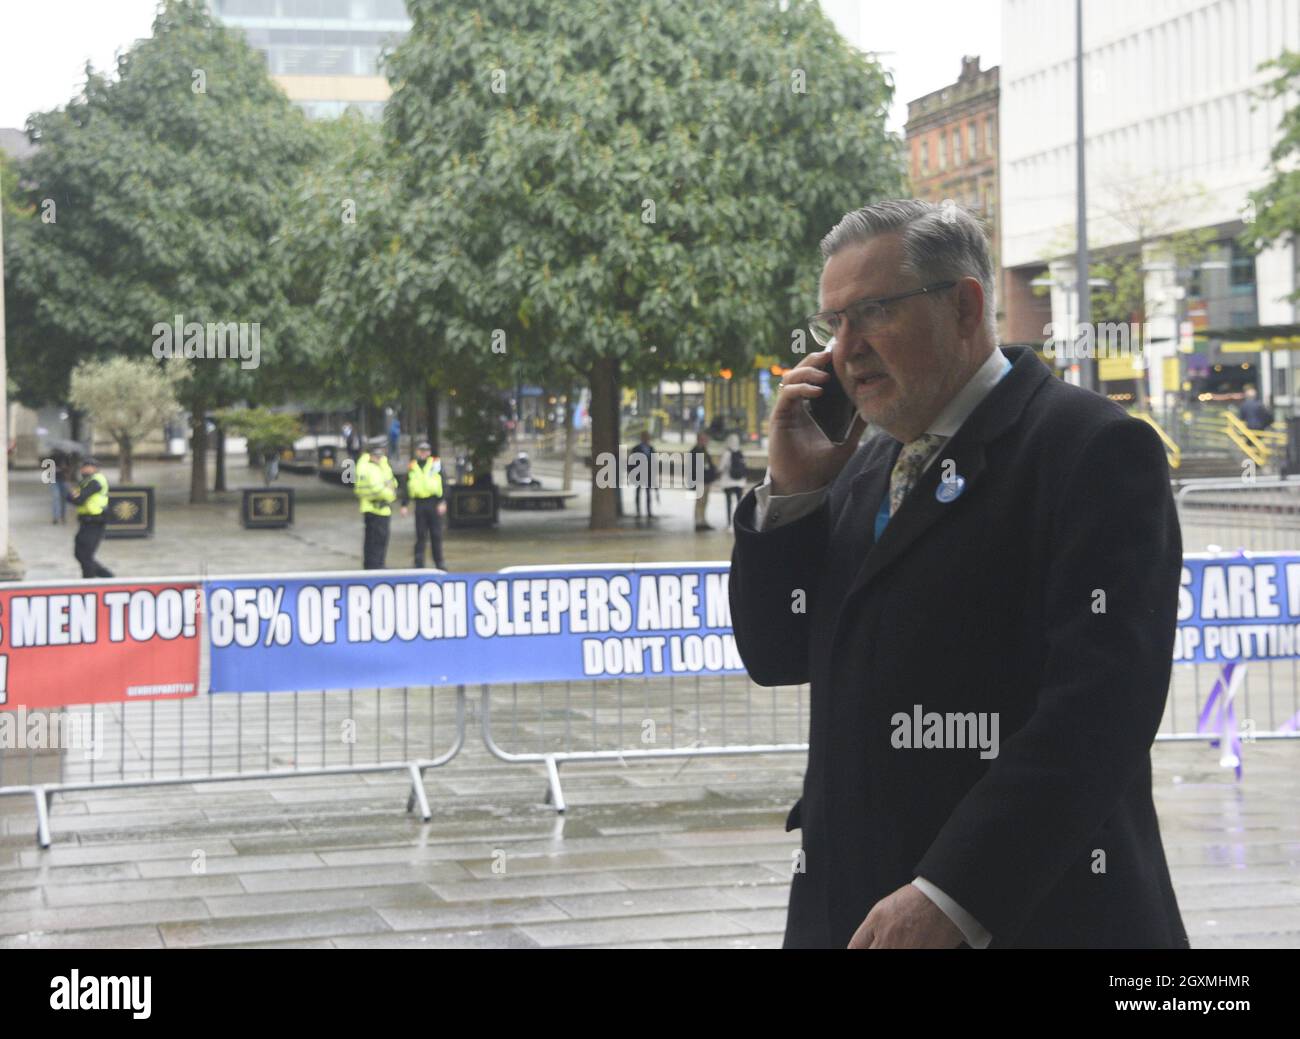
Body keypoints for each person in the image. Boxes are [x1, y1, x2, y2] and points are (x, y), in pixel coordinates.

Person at [729, 199, 1187, 949]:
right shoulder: (863, 458)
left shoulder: (1092, 449)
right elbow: (776, 653)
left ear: (966, 306)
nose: (845, 349)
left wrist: (954, 893)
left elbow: (1100, 712)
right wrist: (793, 493)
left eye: (871, 312)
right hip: (848, 905)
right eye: (831, 324)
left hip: (1026, 913)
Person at [401, 441, 447, 569]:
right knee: (420, 534)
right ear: (417, 452)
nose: (423, 453)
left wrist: (442, 501)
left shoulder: (435, 464)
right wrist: (404, 504)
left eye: (426, 451)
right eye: (421, 450)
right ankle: (418, 563)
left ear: (429, 452)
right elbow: (407, 486)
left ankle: (439, 563)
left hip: (434, 503)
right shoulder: (413, 465)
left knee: (436, 534)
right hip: (420, 503)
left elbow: (443, 482)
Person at [66, 456, 113, 578]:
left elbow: (79, 499)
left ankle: (92, 579)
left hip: (95, 522)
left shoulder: (96, 481)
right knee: (79, 553)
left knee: (85, 554)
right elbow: (70, 497)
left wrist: (74, 495)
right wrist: (74, 496)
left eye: (87, 467)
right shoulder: (85, 482)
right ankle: (104, 575)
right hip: (85, 521)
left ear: (94, 468)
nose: (83, 470)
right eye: (83, 467)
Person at [354, 442, 397, 570]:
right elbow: (378, 488)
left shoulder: (380, 466)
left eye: (380, 455)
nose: (379, 457)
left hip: (381, 509)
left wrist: (389, 488)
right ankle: (375, 568)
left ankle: (376, 566)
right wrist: (391, 494)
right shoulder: (368, 468)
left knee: (379, 541)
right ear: (370, 455)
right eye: (376, 455)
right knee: (375, 542)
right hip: (375, 508)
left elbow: (393, 482)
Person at [717, 432, 748, 529]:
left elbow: (721, 468)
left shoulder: (727, 453)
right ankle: (739, 522)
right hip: (739, 483)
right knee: (739, 503)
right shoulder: (741, 452)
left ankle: (729, 523)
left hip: (728, 482)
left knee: (728, 502)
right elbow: (744, 467)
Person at [689, 431, 718, 531]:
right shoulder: (694, 451)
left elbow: (708, 465)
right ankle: (698, 522)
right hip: (699, 481)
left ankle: (703, 520)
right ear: (699, 439)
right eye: (704, 439)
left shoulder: (704, 450)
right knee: (699, 502)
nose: (706, 441)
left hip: (706, 481)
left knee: (705, 501)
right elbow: (693, 468)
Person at [627, 430, 657, 518]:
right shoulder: (636, 449)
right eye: (645, 437)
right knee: (638, 493)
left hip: (648, 474)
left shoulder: (651, 448)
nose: (647, 439)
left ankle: (649, 512)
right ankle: (638, 512)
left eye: (648, 437)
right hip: (638, 474)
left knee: (648, 494)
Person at [49, 447, 71, 525]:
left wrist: (64, 469)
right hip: (54, 480)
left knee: (63, 499)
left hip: (63, 480)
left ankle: (62, 516)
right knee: (56, 498)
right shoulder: (52, 457)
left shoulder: (66, 457)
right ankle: (56, 517)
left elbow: (69, 468)